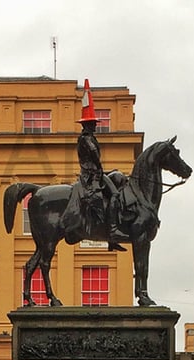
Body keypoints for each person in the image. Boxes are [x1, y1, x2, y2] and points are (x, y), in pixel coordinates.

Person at [61, 79, 126, 250]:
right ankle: (112, 233)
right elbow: (95, 157)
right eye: (93, 123)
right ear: (87, 124)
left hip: (96, 174)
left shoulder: (89, 137)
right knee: (115, 195)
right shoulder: (86, 139)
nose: (95, 126)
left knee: (119, 177)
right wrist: (102, 171)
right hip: (91, 177)